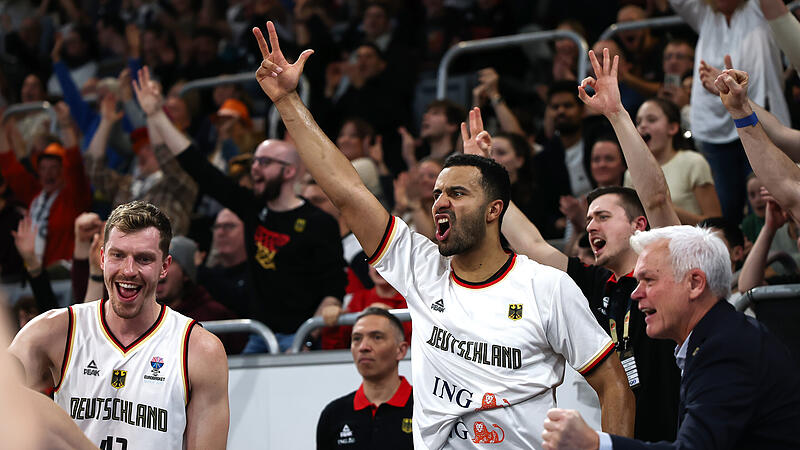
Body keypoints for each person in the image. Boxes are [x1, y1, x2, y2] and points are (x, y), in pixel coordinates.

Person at [252, 21, 634, 448]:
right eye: (436, 194)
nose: (439, 202)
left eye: (457, 192)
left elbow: (614, 385)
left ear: (494, 211)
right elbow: (348, 192)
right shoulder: (421, 267)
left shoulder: (546, 287)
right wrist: (287, 101)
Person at [499, 49, 683, 442]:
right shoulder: (598, 283)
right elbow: (531, 244)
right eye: (587, 219)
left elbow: (656, 199)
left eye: (602, 216)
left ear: (638, 226)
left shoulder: (670, 265)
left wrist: (616, 114)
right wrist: (489, 187)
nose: (590, 225)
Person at [134, 68, 347, 353]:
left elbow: (333, 285)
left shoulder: (319, 222)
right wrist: (157, 115)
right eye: (255, 161)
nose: (255, 168)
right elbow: (200, 168)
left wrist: (321, 320)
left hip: (301, 337)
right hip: (259, 335)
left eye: (265, 162)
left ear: (289, 172)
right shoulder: (252, 207)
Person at [541, 225, 800, 450]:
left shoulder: (727, 348)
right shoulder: (717, 336)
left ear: (695, 283)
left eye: (649, 280)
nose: (635, 293)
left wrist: (596, 443)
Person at [9, 201, 229, 449]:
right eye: (118, 255)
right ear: (102, 257)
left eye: (144, 259)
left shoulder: (199, 350)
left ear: (164, 267)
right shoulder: (52, 331)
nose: (128, 270)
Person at [674, 0, 790, 224]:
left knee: (770, 205)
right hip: (713, 133)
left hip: (762, 124)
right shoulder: (705, 14)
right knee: (727, 215)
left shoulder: (757, 8)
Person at [316, 307, 413, 450]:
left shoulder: (426, 409)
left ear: (401, 350)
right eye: (357, 338)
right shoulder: (334, 414)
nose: (363, 347)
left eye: (377, 337)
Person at [624, 98, 721, 224]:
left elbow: (716, 224)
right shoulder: (631, 173)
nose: (642, 126)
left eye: (652, 120)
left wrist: (664, 207)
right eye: (638, 122)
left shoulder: (693, 162)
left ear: (673, 128)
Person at [157, 236, 246, 354]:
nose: (160, 269)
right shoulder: (140, 315)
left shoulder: (215, 315)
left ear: (186, 274)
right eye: (154, 261)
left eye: (169, 263)